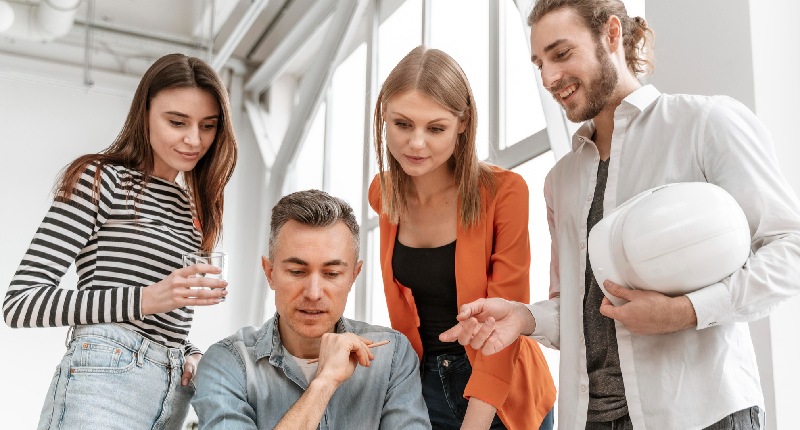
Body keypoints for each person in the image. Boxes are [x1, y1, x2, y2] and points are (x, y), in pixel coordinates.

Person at [440, 1, 800, 429]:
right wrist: (524, 317)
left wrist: (687, 311)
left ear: (611, 34)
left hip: (702, 415)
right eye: (539, 64)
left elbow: (790, 250)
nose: (549, 78)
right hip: (590, 419)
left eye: (561, 53)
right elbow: (580, 308)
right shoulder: (561, 180)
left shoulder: (705, 123)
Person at [3, 53, 238, 429]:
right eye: (177, 122)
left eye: (208, 126)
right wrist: (148, 298)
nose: (194, 140)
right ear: (144, 114)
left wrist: (189, 352)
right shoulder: (101, 180)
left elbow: (160, 322)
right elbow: (21, 304)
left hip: (171, 394)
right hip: (104, 384)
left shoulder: (193, 209)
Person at [369, 45, 556, 430]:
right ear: (384, 116)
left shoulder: (504, 193)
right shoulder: (383, 194)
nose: (416, 143)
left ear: (463, 123)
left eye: (435, 128)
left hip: (502, 393)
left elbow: (505, 321)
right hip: (422, 389)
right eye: (402, 124)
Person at [191, 189, 431, 429]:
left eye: (332, 274)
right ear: (270, 273)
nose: (313, 293)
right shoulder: (227, 362)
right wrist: (325, 381)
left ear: (353, 276)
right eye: (297, 272)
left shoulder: (392, 356)